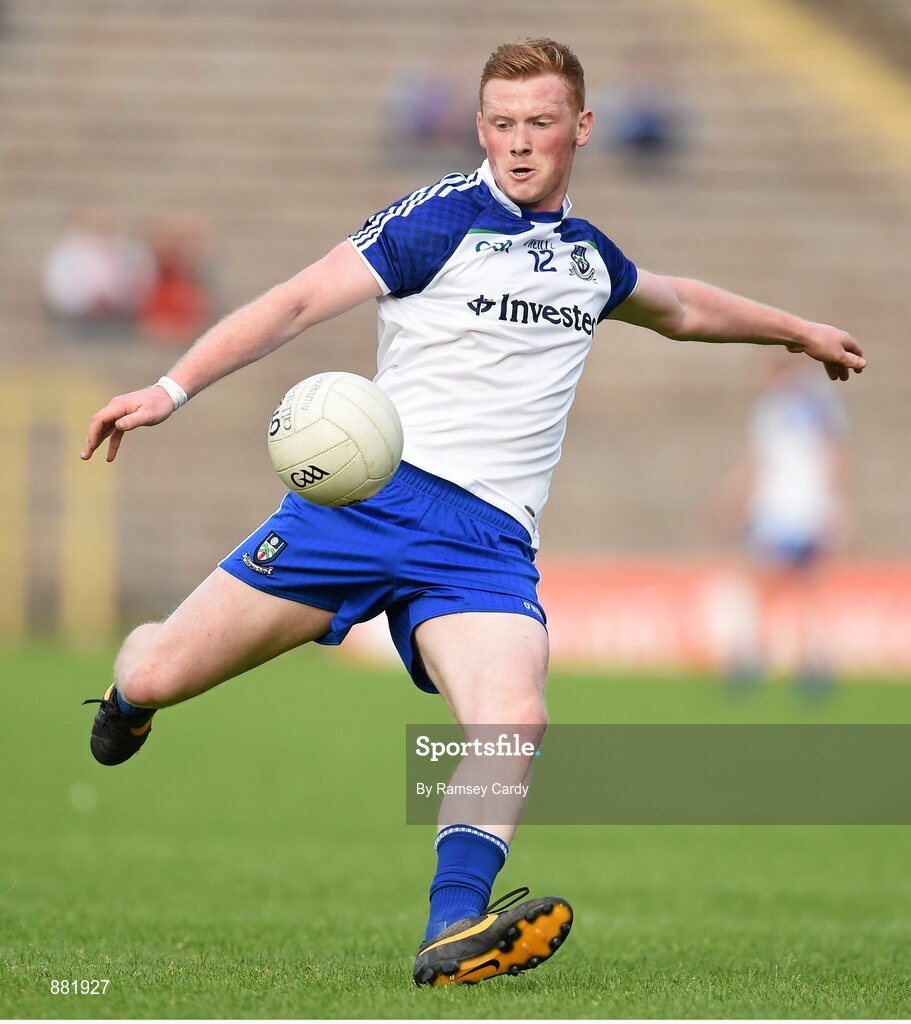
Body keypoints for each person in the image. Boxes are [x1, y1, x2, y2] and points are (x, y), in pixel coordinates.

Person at [80, 39, 865, 987]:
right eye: (500, 124)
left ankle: (454, 926)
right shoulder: (438, 221)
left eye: (540, 124)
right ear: (478, 127)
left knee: (514, 718)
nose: (519, 144)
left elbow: (682, 306)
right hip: (363, 506)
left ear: (580, 127)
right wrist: (172, 387)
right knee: (162, 670)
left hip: (484, 546)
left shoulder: (587, 261)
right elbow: (294, 303)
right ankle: (128, 696)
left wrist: (796, 328)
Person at [709, 351, 852, 690]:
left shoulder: (806, 407)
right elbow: (757, 461)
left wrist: (839, 504)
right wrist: (733, 497)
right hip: (787, 508)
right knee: (797, 584)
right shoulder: (789, 407)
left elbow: (835, 456)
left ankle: (764, 659)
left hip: (794, 509)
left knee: (773, 581)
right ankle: (807, 665)